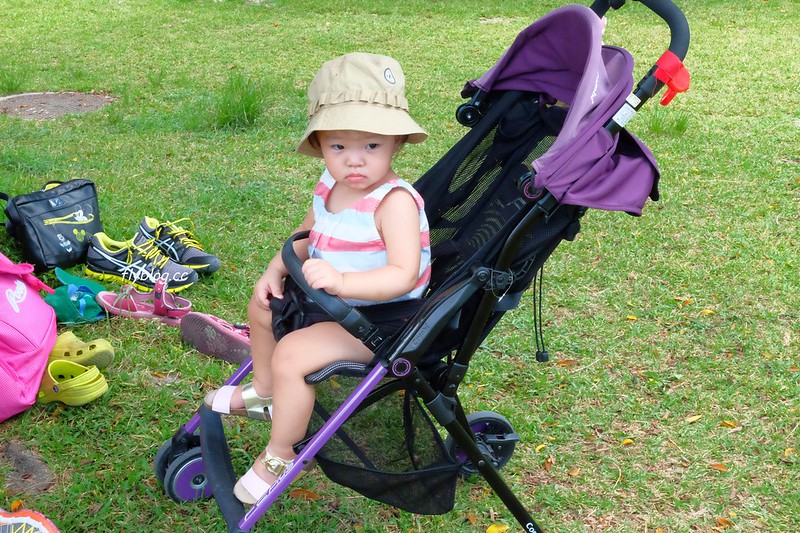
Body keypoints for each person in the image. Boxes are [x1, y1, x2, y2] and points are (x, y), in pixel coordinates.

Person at [203, 52, 431, 505]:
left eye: (372, 146)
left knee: (293, 354)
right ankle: (265, 393)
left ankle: (282, 452)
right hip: (329, 301)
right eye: (338, 146)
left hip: (380, 319)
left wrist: (343, 281)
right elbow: (308, 235)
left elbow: (404, 275)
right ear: (321, 144)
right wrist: (276, 267)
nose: (354, 161)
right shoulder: (330, 185)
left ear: (397, 144)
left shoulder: (394, 203)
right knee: (262, 307)